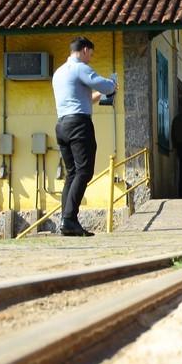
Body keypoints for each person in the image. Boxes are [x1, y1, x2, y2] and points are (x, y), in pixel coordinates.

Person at [52, 36, 117, 236]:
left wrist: (103, 94)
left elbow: (86, 98)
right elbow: (104, 86)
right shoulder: (80, 67)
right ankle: (70, 219)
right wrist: (114, 84)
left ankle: (65, 221)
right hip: (79, 125)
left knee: (72, 173)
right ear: (85, 50)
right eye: (91, 54)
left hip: (62, 124)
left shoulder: (59, 72)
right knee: (84, 171)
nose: (91, 58)